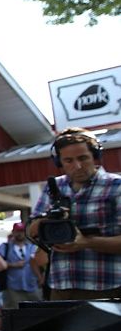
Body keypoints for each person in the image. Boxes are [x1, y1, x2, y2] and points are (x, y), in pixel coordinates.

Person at [27, 128, 121, 300]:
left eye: (83, 158)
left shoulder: (116, 186)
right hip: (62, 287)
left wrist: (86, 242)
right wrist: (47, 220)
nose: (77, 166)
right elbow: (31, 231)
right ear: (59, 162)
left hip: (108, 287)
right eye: (68, 160)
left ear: (95, 156)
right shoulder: (53, 187)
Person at [0, 222, 41, 308]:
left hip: (32, 285)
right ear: (13, 232)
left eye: (22, 231)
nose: (20, 234)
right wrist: (14, 265)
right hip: (13, 287)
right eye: (17, 231)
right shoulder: (5, 247)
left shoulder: (33, 247)